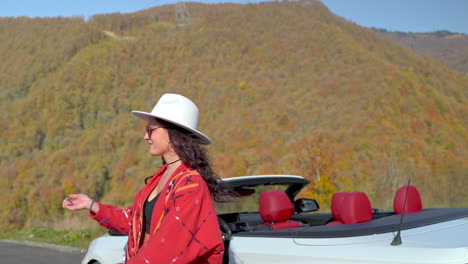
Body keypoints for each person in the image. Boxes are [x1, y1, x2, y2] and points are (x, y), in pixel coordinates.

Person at [63, 93, 225, 264]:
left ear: (173, 134)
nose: (146, 137)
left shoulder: (190, 184)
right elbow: (136, 223)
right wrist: (92, 205)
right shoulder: (165, 175)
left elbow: (168, 246)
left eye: (151, 130)